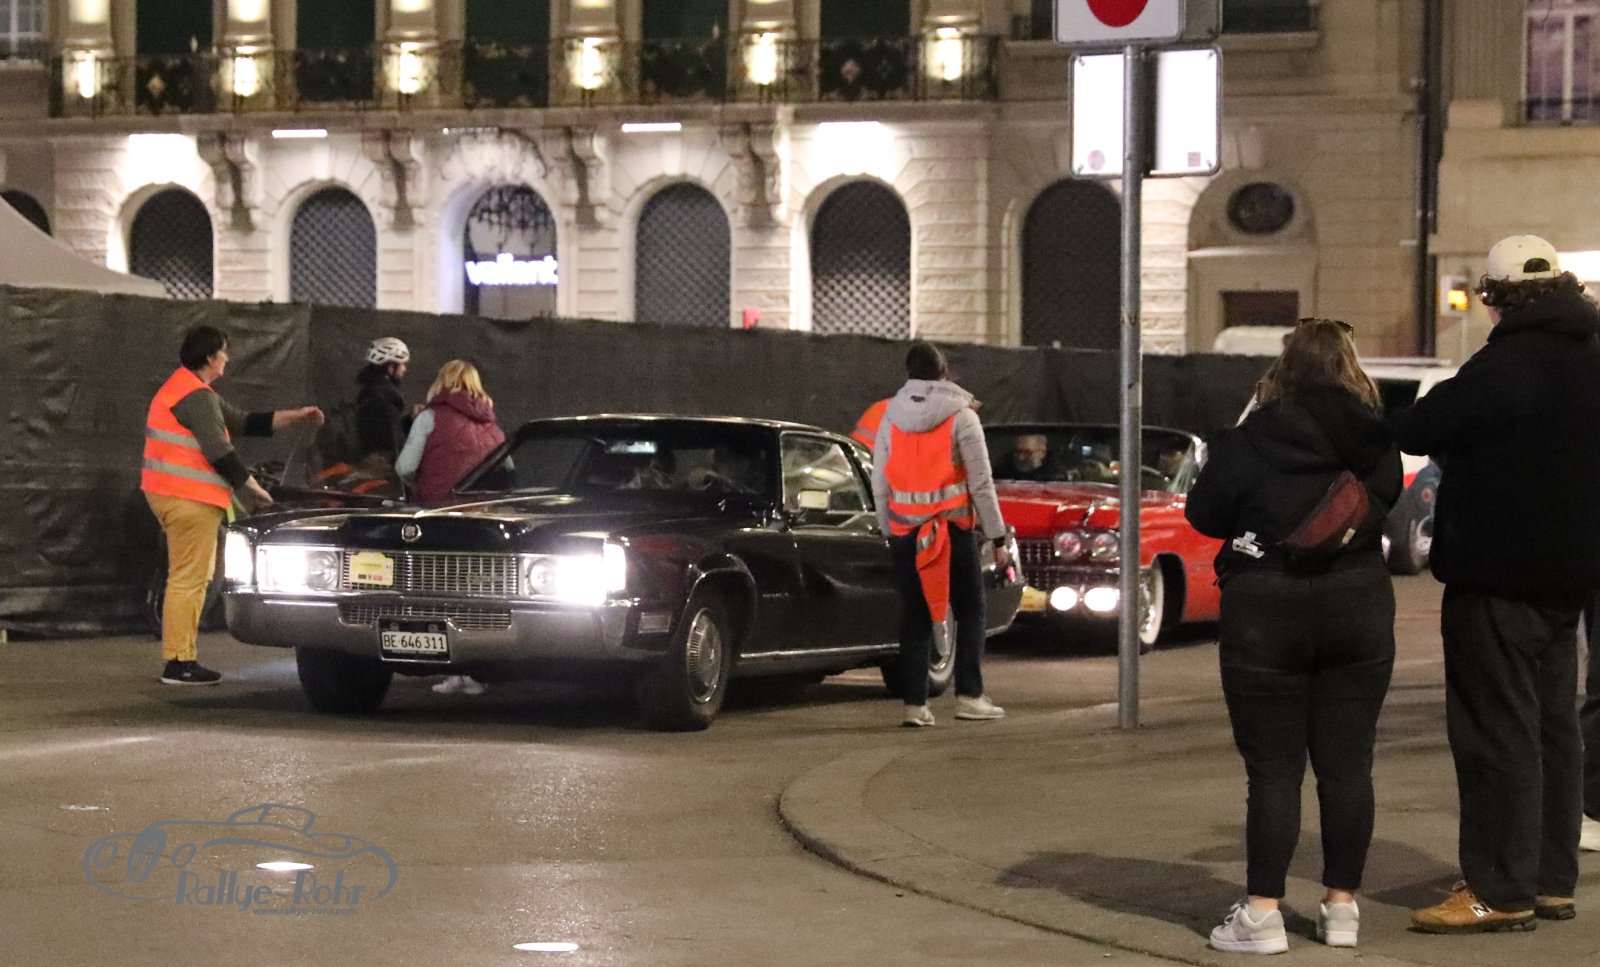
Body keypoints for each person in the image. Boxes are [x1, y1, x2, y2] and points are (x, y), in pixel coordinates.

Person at [1396, 235, 1600, 933]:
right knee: (1554, 730)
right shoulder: (1592, 354)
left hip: (1498, 578)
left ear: (1495, 298)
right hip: (1570, 579)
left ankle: (1498, 887)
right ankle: (1549, 881)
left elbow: (1422, 425)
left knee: (1495, 735)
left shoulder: (1505, 363)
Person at [1185, 318, 1401, 953]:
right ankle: (1341, 908)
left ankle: (1261, 915)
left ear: (1282, 370)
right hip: (1357, 604)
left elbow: (1204, 512)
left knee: (1274, 770)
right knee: (1349, 765)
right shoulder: (1374, 437)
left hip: (1266, 608)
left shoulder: (1254, 436)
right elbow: (1385, 501)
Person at [142, 325, 324, 686]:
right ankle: (178, 662)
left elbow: (243, 422)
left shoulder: (190, 390)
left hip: (178, 495)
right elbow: (219, 450)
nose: (227, 358)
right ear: (211, 357)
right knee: (189, 579)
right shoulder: (195, 396)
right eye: (224, 352)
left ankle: (181, 657)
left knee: (193, 578)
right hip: (188, 497)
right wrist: (252, 488)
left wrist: (296, 416)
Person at [872, 341, 1010, 728]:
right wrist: (998, 537)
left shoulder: (890, 417)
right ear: (944, 371)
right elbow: (981, 484)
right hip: (952, 532)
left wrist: (887, 529)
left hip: (905, 532)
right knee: (971, 610)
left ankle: (915, 706)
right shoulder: (962, 417)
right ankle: (969, 696)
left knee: (914, 617)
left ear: (908, 372)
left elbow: (880, 480)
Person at [396, 360, 508, 697]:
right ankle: (478, 671)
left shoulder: (430, 417)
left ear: (441, 382)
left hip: (438, 515)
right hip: (482, 521)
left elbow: (405, 466)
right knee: (478, 595)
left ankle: (454, 668)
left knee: (439, 596)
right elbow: (509, 470)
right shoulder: (493, 425)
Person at [355, 336, 412, 466]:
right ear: (391, 368)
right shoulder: (383, 403)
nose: (405, 369)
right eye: (402, 364)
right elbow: (394, 445)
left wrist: (409, 420)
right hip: (382, 471)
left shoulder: (369, 393)